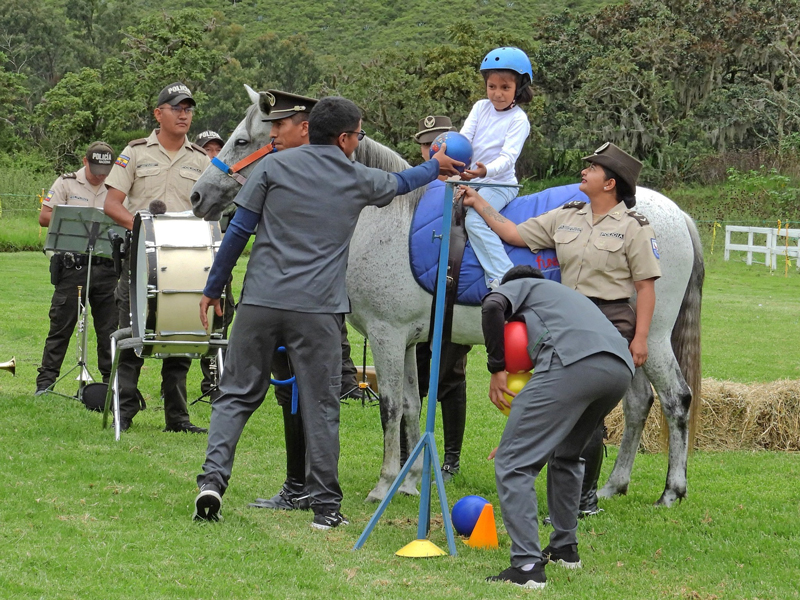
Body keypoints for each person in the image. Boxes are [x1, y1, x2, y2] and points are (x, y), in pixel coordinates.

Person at [192, 96, 463, 528]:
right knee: (321, 404)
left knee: (236, 395)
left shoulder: (270, 168)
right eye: (357, 135)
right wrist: (437, 166)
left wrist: (211, 289)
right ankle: (325, 509)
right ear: (344, 138)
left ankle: (211, 481)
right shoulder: (355, 177)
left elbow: (239, 231)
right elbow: (403, 183)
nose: (358, 142)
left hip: (261, 302)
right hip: (317, 311)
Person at [461, 142, 661, 518]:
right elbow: (514, 233)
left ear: (610, 184)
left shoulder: (635, 227)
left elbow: (645, 287)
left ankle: (582, 499)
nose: (584, 171)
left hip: (610, 319)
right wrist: (478, 202)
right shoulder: (567, 215)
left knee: (588, 413)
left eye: (593, 168)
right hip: (567, 320)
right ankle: (569, 495)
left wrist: (640, 338)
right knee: (562, 405)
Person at [238, 90, 360, 512]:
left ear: (306, 127)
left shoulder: (339, 172)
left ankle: (310, 488)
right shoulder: (278, 166)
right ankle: (301, 486)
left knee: (308, 395)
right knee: (290, 391)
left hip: (305, 303)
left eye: (280, 126)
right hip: (291, 301)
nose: (273, 134)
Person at [481, 265, 635, 589]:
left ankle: (526, 568)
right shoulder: (566, 298)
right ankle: (565, 549)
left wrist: (497, 368)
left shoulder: (522, 285)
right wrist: (520, 437)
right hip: (619, 369)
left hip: (574, 362)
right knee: (566, 454)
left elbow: (492, 306)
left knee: (513, 464)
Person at [103, 82, 211, 433]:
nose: (184, 114)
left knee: (180, 337)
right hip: (140, 259)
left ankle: (177, 418)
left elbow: (211, 212)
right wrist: (142, 226)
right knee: (133, 332)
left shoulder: (201, 159)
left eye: (188, 109)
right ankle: (124, 411)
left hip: (185, 262)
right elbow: (111, 204)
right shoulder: (134, 153)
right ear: (158, 113)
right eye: (176, 107)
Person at [411, 115, 472, 482]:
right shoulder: (415, 187)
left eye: (439, 142)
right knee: (414, 375)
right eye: (427, 144)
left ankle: (450, 458)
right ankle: (413, 450)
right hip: (416, 296)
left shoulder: (470, 188)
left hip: (453, 296)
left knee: (449, 374)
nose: (432, 150)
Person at [35, 142, 119, 395]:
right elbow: (44, 215)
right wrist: (82, 217)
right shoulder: (66, 182)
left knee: (109, 330)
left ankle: (110, 386)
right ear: (85, 161)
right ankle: (45, 384)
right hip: (73, 266)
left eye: (106, 169)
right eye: (95, 168)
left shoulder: (118, 186)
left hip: (107, 267)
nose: (100, 175)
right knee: (61, 325)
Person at [460, 46, 533, 289]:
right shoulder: (480, 107)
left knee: (475, 221)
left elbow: (507, 159)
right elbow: (465, 138)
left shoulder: (518, 120)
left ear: (519, 89)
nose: (497, 94)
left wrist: (484, 171)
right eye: (492, 87)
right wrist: (451, 155)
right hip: (473, 180)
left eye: (505, 88)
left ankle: (504, 280)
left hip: (500, 184)